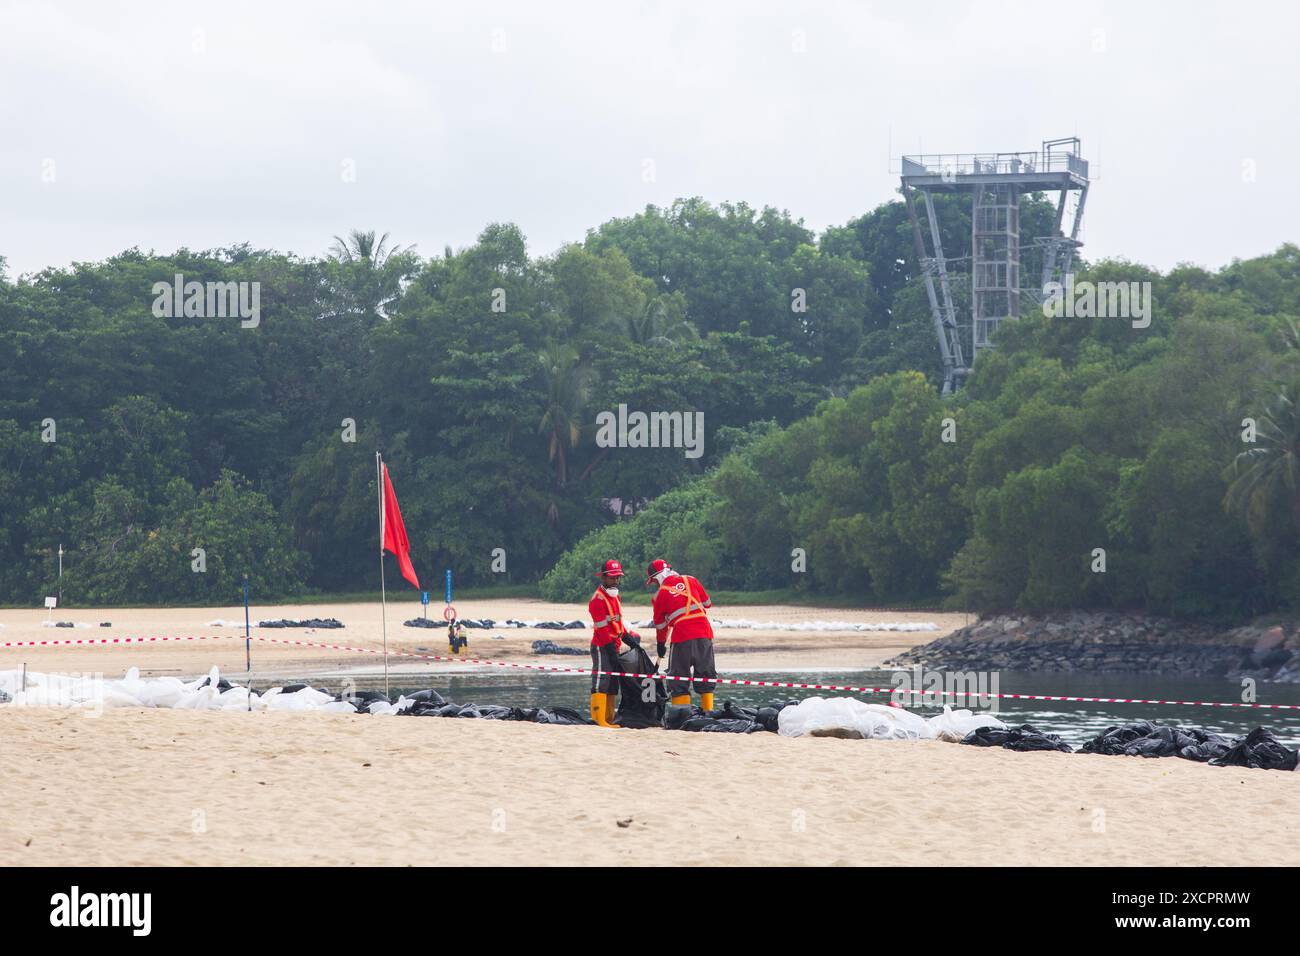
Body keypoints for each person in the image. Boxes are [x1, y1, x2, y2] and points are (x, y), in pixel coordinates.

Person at [646, 558, 717, 711]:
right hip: (704, 634)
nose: (656, 585)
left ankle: (682, 716)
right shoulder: (691, 579)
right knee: (706, 676)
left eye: (654, 582)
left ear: (658, 577)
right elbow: (707, 604)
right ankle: (708, 715)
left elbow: (661, 626)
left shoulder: (659, 596)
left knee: (678, 679)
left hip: (682, 637)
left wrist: (660, 645)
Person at [587, 558, 639, 727]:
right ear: (603, 578)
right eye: (612, 577)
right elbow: (602, 630)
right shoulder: (597, 600)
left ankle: (609, 718)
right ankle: (599, 719)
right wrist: (611, 651)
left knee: (611, 683)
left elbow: (617, 626)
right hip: (602, 647)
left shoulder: (615, 598)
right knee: (601, 681)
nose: (615, 581)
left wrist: (631, 642)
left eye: (618, 577)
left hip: (613, 646)